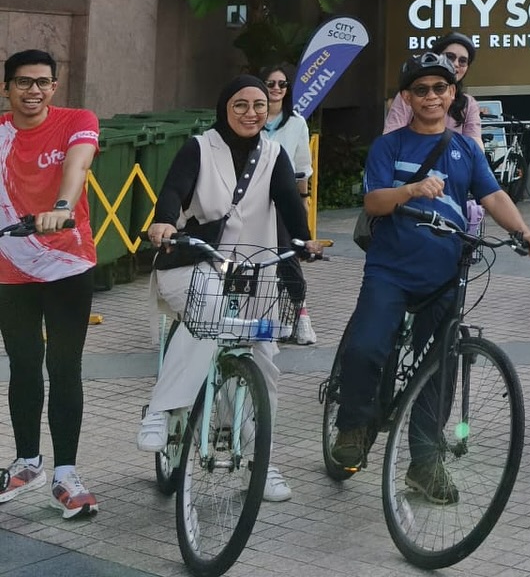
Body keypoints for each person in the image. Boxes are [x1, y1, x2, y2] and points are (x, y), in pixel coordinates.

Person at [332, 52, 530, 486]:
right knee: (366, 347)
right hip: (390, 270)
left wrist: (523, 231)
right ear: (407, 97)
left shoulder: (465, 149)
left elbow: (493, 195)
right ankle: (353, 426)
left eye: (440, 88)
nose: (431, 96)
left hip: (445, 274)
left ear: (452, 95)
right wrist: (410, 190)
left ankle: (425, 463)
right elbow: (374, 201)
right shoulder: (389, 146)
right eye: (421, 89)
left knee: (441, 367)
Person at [139, 76, 321, 503]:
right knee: (209, 315)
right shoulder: (199, 147)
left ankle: (262, 460)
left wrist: (305, 240)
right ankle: (161, 409)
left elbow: (289, 203)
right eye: (240, 104)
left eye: (259, 105)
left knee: (265, 362)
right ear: (224, 108)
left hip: (254, 270)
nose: (251, 113)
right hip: (194, 262)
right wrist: (164, 221)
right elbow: (174, 189)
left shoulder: (274, 154)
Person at [0, 50, 100, 519]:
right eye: (23, 82)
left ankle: (66, 474)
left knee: (64, 366)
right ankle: (27, 463)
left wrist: (61, 207)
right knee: (23, 364)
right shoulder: (2, 134)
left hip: (68, 264)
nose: (33, 91)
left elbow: (77, 166)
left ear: (54, 87)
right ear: (6, 88)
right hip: (10, 267)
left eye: (42, 82)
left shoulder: (77, 121)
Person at [260, 63, 317, 345]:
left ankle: (302, 314)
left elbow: (302, 168)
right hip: (252, 197)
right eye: (270, 83)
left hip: (284, 198)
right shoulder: (251, 118)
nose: (276, 89)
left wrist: (302, 201)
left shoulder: (296, 123)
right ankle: (265, 316)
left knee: (287, 253)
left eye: (282, 84)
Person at [383, 33, 483, 143]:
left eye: (463, 61)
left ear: (452, 91)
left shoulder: (468, 104)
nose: (455, 64)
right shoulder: (411, 96)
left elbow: (475, 147)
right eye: (449, 57)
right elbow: (391, 141)